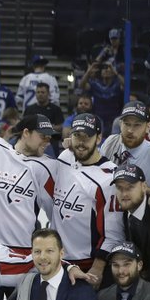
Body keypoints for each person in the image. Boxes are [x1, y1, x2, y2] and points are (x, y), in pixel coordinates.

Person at [51, 113, 121, 287]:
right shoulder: (64, 158)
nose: (81, 142)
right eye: (77, 136)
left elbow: (113, 232)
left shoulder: (109, 177)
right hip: (57, 261)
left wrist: (97, 267)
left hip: (85, 265)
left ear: (98, 138)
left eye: (87, 137)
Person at [0, 114, 56, 253]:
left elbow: (57, 213)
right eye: (43, 136)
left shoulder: (47, 167)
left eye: (49, 138)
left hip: (19, 252)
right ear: (26, 133)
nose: (47, 142)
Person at [111, 164, 150, 292]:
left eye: (130, 187)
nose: (124, 194)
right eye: (119, 188)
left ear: (144, 187)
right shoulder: (125, 211)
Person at [101, 101, 150, 190]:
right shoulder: (111, 142)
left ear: (148, 127)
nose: (130, 130)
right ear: (120, 124)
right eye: (127, 124)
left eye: (137, 125)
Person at [79, 62, 124, 132]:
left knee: (117, 122)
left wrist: (115, 72)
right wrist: (89, 71)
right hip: (98, 116)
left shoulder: (117, 84)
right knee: (97, 122)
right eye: (104, 69)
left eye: (109, 69)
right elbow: (82, 85)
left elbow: (126, 85)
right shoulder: (95, 84)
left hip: (115, 117)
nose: (106, 70)